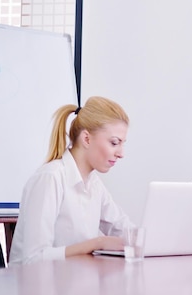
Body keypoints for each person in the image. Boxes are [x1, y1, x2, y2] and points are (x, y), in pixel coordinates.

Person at [9, 96, 133, 265]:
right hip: (38, 287)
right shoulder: (50, 178)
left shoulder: (93, 183)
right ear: (87, 139)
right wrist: (96, 243)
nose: (121, 153)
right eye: (114, 143)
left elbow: (122, 227)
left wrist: (155, 239)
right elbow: (33, 258)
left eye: (122, 144)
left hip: (74, 284)